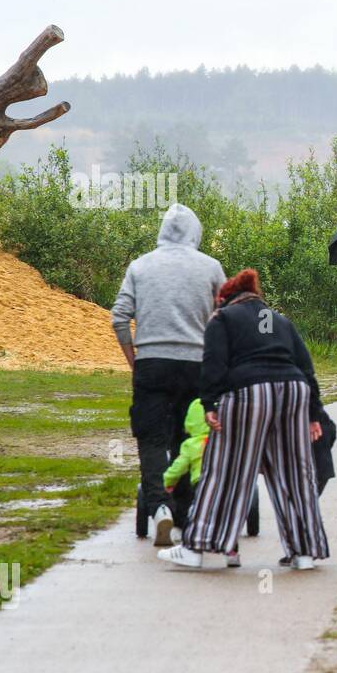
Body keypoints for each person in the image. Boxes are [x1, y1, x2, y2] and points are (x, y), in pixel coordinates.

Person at [158, 268, 328, 571]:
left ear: (225, 298)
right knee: (295, 475)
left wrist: (209, 402)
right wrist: (313, 413)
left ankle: (195, 549)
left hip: (249, 393)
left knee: (224, 471)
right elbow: (306, 367)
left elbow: (213, 363)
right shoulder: (279, 320)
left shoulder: (222, 319)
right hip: (292, 391)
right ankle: (304, 553)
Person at [111, 203, 226, 546]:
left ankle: (158, 507)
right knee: (187, 437)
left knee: (150, 438)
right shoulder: (210, 267)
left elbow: (119, 318)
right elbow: (223, 318)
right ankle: (183, 510)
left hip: (151, 363)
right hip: (196, 365)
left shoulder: (140, 266)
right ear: (195, 232)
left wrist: (135, 360)